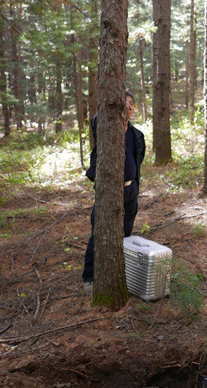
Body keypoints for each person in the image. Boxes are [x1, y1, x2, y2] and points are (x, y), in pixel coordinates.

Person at [82, 91, 146, 293]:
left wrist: (133, 184)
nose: (128, 107)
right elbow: (96, 120)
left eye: (132, 104)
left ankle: (123, 273)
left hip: (130, 191)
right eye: (124, 103)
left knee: (126, 233)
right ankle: (90, 277)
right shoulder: (106, 128)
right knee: (99, 231)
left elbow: (139, 158)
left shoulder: (137, 135)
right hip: (110, 191)